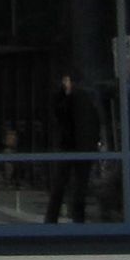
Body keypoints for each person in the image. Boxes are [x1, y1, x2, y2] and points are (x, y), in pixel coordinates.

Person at [43, 72, 102, 223]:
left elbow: (92, 121)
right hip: (72, 146)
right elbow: (60, 115)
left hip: (77, 146)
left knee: (74, 187)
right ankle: (58, 219)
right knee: (64, 185)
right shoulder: (64, 98)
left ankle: (69, 218)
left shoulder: (82, 98)